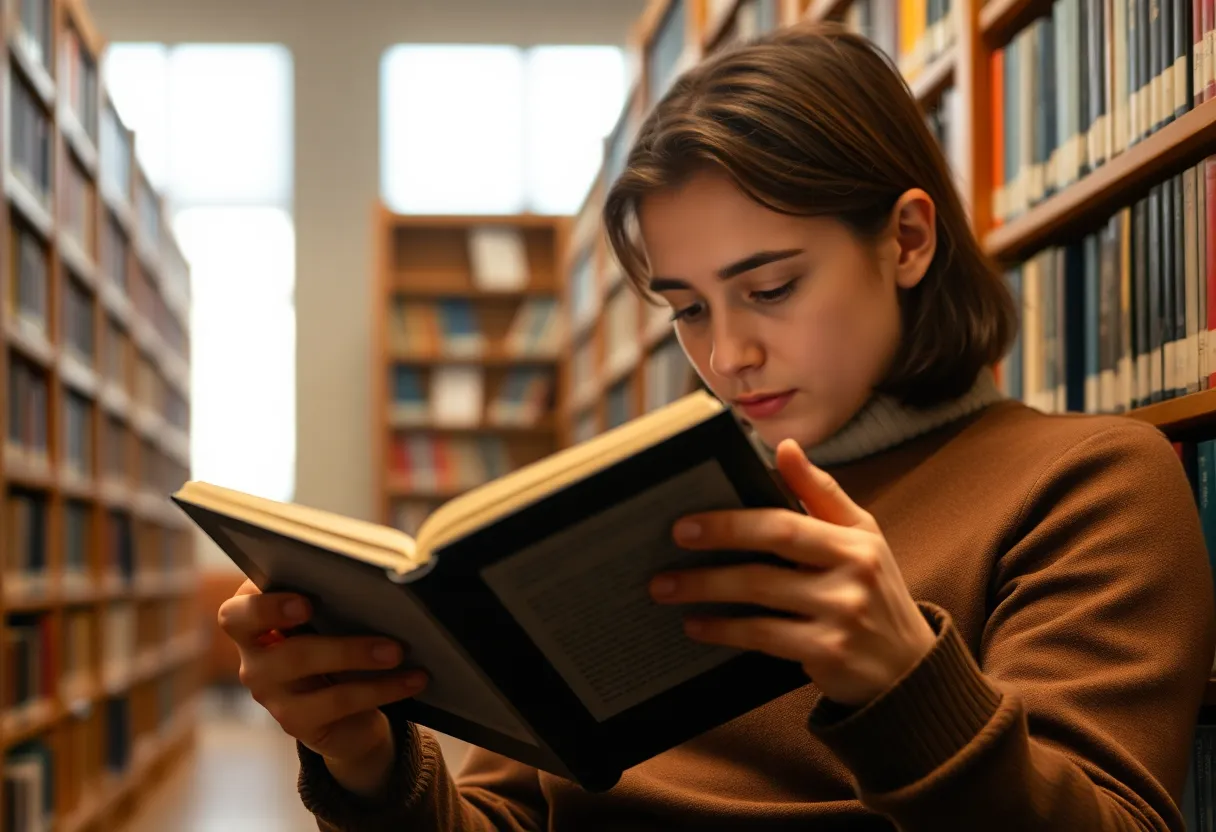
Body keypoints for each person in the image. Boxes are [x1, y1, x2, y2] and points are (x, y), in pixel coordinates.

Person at [218, 21, 1216, 830]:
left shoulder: (1084, 482)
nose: (726, 354)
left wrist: (906, 679)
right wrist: (369, 761)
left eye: (770, 287)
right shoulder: (657, 502)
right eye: (687, 309)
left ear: (907, 239)